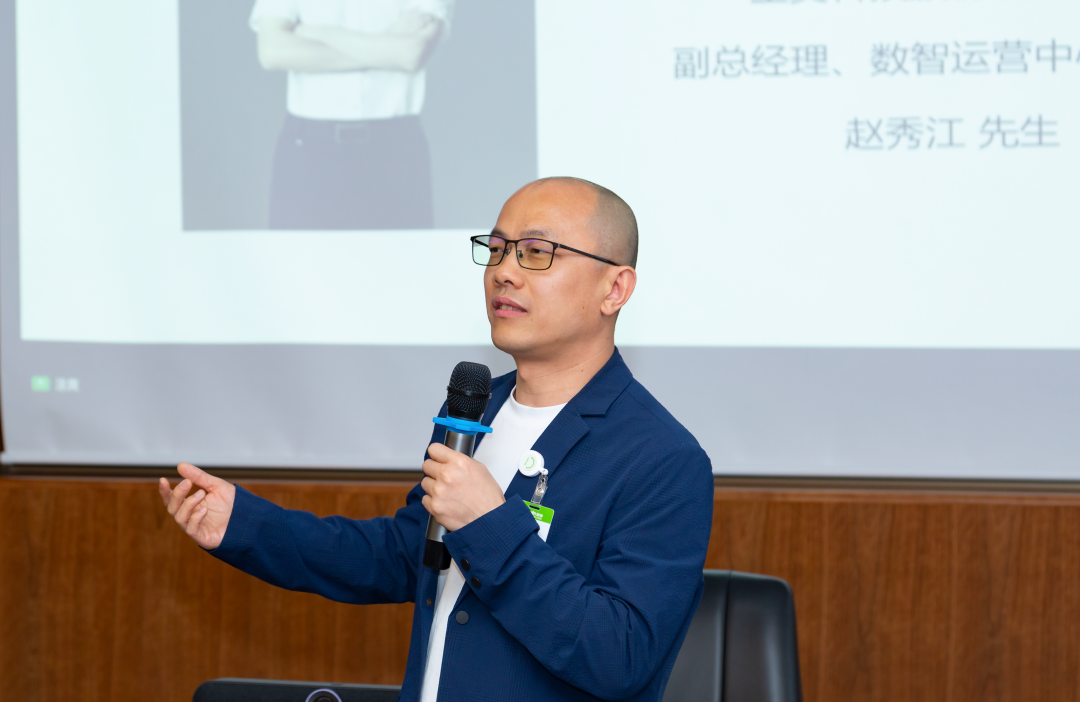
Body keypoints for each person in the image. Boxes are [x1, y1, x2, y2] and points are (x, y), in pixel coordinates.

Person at [159, 177, 714, 702]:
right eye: (496, 249)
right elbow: (407, 556)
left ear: (615, 288)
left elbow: (620, 656)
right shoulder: (472, 410)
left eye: (536, 252)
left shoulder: (662, 459)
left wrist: (489, 524)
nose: (504, 272)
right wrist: (245, 525)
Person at [251, 0, 451, 229]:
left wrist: (318, 32)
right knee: (296, 252)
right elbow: (271, 52)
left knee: (404, 252)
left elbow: (410, 53)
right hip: (308, 150)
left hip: (394, 153)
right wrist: (385, 45)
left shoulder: (315, 32)